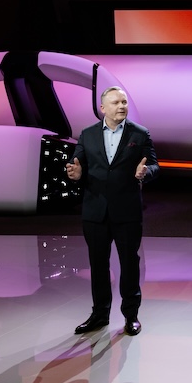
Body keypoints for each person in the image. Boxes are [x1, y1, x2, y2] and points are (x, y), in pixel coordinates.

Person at [66, 86, 158, 336]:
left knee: (129, 264)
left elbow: (154, 165)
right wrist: (75, 174)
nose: (121, 106)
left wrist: (146, 172)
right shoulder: (87, 134)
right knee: (97, 265)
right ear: (102, 108)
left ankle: (131, 315)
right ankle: (100, 314)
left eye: (124, 102)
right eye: (116, 103)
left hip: (127, 211)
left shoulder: (140, 134)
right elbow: (77, 164)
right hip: (95, 211)